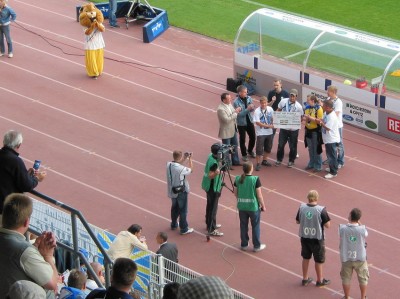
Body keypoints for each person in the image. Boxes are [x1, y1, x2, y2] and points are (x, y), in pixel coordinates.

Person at [0, 193, 59, 298]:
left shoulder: (26, 251)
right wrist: (48, 256)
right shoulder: (24, 251)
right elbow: (53, 284)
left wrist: (35, 248)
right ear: (27, 222)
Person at [0, 130, 46, 224]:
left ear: (4, 142)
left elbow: (8, 177)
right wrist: (37, 179)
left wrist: (26, 175)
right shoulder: (16, 161)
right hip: (5, 210)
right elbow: (26, 185)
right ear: (19, 145)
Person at [296, 190, 331, 287]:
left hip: (305, 237)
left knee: (305, 258)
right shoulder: (321, 210)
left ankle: (305, 278)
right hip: (317, 239)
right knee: (318, 260)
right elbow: (328, 225)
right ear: (317, 198)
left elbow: (297, 221)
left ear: (308, 197)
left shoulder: (302, 207)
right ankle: (319, 280)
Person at [234, 162, 266, 252]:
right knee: (255, 226)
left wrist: (240, 199)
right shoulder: (255, 179)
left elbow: (235, 192)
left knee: (243, 225)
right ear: (251, 169)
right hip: (253, 207)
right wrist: (263, 205)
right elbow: (259, 195)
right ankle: (256, 246)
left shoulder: (237, 178)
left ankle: (244, 244)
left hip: (242, 207)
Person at [339, 208, 369, 299]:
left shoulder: (342, 228)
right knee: (363, 278)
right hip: (360, 258)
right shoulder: (362, 230)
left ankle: (347, 297)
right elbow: (366, 234)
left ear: (350, 216)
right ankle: (363, 297)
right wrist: (359, 222)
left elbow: (340, 233)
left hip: (346, 257)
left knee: (346, 278)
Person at [166, 150, 194, 235]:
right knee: (183, 210)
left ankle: (174, 224)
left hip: (172, 190)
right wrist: (190, 159)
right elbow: (191, 170)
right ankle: (184, 228)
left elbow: (178, 163)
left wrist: (184, 158)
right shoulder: (181, 169)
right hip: (181, 191)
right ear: (180, 157)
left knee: (174, 208)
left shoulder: (169, 164)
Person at [275, 89, 303, 168]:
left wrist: (295, 125)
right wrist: (275, 117)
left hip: (293, 130)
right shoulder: (283, 101)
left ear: (296, 97)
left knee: (293, 146)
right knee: (280, 145)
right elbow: (278, 110)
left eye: (293, 96)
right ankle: (279, 159)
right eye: (291, 95)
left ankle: (291, 161)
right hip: (283, 128)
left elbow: (301, 118)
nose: (292, 97)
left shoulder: (299, 107)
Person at [201, 144, 224, 237]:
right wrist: (216, 173)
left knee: (210, 206)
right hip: (212, 187)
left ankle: (209, 223)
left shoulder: (210, 156)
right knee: (213, 208)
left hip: (210, 185)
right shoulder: (213, 163)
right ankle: (212, 228)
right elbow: (210, 175)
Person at [316, 99, 340, 179]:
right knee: (330, 155)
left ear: (328, 107)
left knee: (331, 156)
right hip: (327, 138)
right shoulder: (326, 113)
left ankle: (333, 172)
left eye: (324, 106)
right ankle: (333, 168)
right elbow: (323, 119)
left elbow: (328, 128)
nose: (323, 107)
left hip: (331, 140)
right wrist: (321, 120)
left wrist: (321, 123)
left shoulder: (332, 117)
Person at [217, 92, 241, 166]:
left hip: (233, 129)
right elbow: (226, 120)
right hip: (226, 131)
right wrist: (236, 113)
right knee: (226, 148)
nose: (230, 99)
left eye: (230, 98)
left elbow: (232, 112)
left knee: (235, 146)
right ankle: (227, 164)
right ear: (224, 100)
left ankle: (235, 161)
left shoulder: (229, 104)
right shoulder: (220, 109)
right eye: (229, 98)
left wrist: (236, 110)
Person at [323, 85, 345, 168]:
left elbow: (335, 114)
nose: (327, 92)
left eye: (329, 91)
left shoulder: (338, 102)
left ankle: (340, 161)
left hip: (337, 126)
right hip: (328, 124)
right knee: (329, 143)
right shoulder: (328, 99)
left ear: (334, 92)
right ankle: (331, 158)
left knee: (339, 144)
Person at [233, 85, 256, 161]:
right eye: (245, 92)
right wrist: (248, 109)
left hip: (249, 121)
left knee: (253, 137)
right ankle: (244, 155)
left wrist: (252, 107)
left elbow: (252, 109)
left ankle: (250, 150)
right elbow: (239, 115)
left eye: (246, 92)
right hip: (241, 123)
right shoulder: (236, 102)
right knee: (242, 140)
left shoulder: (249, 98)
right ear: (240, 93)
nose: (247, 93)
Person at [82, 3, 105, 79]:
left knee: (99, 57)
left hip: (99, 43)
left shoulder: (99, 22)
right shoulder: (85, 24)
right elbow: (87, 32)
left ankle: (99, 70)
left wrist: (97, 24)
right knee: (91, 58)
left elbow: (102, 29)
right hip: (90, 43)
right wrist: (92, 25)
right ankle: (93, 72)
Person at [253, 96, 274, 171]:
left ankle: (264, 160)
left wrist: (274, 122)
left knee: (268, 147)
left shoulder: (270, 109)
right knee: (259, 148)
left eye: (265, 103)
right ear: (260, 103)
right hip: (261, 133)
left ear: (267, 102)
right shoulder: (257, 111)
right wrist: (268, 125)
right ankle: (258, 163)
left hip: (269, 132)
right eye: (262, 103)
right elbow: (258, 123)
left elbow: (272, 117)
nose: (264, 104)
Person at [303, 95, 323, 172]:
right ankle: (311, 163)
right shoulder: (307, 107)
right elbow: (305, 118)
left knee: (316, 148)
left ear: (313, 100)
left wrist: (309, 118)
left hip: (316, 131)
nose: (307, 101)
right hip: (308, 130)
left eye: (308, 100)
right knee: (310, 148)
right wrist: (304, 118)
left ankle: (318, 166)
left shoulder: (319, 108)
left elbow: (319, 121)